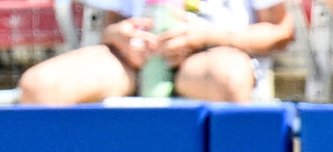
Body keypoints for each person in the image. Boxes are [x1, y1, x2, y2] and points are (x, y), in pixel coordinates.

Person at [16, 0, 294, 106]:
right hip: (134, 60)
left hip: (212, 55)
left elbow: (281, 32)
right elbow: (111, 24)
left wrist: (207, 37)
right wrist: (120, 35)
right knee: (40, 87)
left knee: (229, 78)